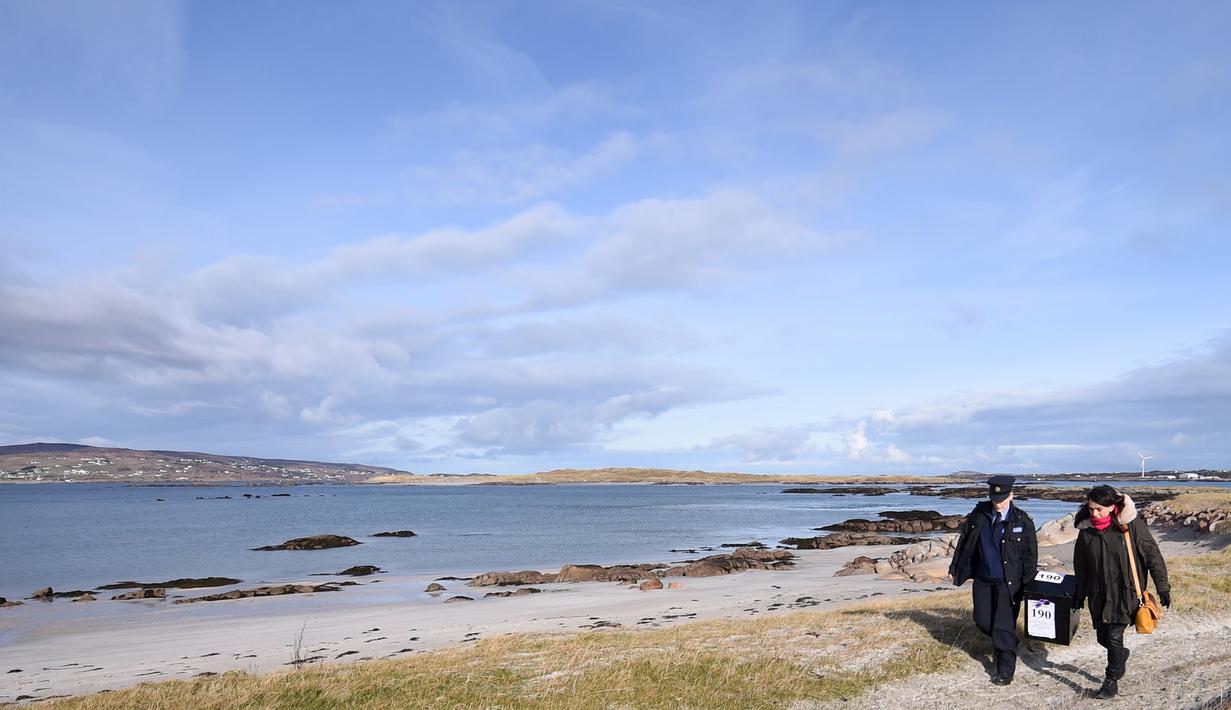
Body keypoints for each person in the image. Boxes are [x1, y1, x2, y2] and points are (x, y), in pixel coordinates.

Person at [1073, 484, 1170, 699]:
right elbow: (1081, 565)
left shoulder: (1130, 525)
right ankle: (1121, 655)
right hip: (1098, 594)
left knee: (1115, 636)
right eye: (1091, 509)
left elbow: (1152, 554)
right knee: (1103, 638)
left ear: (1111, 506)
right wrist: (1079, 593)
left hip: (1125, 592)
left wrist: (1162, 586)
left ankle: (1111, 681)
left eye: (1099, 509)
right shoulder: (1086, 530)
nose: (1094, 513)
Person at [948, 475, 1038, 686]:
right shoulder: (978, 515)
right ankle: (1004, 642)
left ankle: (1005, 668)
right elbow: (965, 543)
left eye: (1002, 498)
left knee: (1003, 625)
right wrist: (955, 567)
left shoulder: (1022, 520)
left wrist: (1029, 583)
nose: (998, 503)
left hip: (1010, 582)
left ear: (1011, 495)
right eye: (995, 498)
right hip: (983, 579)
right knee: (983, 621)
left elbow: (1030, 556)